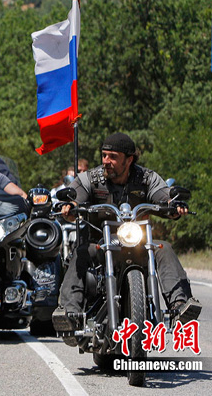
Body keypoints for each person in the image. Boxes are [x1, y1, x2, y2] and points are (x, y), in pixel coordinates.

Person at [52, 133, 201, 341]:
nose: (106, 161)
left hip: (138, 242)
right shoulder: (91, 179)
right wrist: (70, 206)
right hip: (101, 244)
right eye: (104, 155)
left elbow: (162, 195)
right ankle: (69, 313)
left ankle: (180, 307)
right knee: (81, 252)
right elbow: (76, 197)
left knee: (163, 247)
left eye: (113, 156)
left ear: (129, 159)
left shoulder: (146, 178)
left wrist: (173, 205)